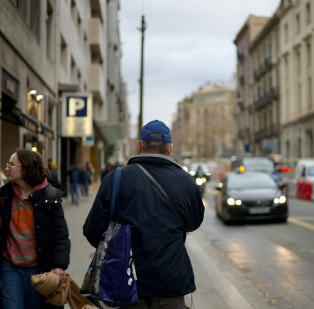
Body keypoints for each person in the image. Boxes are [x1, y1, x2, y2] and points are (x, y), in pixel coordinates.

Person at [83, 120, 205, 309]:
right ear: (169, 149)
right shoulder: (186, 181)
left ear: (139, 145)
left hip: (127, 281)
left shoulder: (116, 178)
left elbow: (92, 231)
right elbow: (193, 223)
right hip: (171, 281)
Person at [0, 148, 70, 309]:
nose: (6, 169)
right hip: (10, 267)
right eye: (7, 164)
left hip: (40, 270)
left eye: (11, 165)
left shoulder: (49, 198)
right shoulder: (4, 196)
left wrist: (59, 266)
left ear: (25, 169)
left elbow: (61, 236)